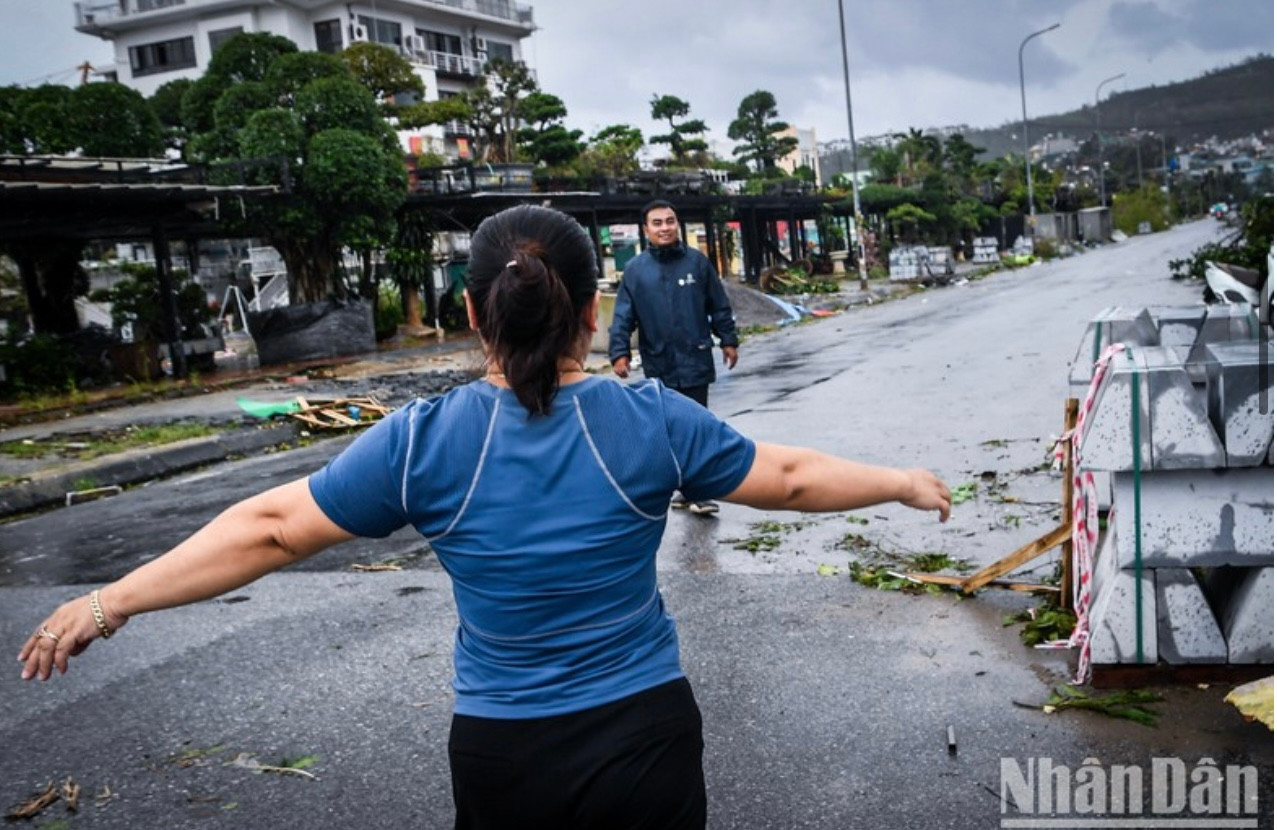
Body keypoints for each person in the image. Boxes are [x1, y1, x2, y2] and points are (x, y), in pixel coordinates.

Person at [19, 205, 950, 830]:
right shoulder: (650, 422)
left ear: (472, 310)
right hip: (645, 741)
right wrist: (899, 480)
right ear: (594, 311)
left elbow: (267, 530)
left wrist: (110, 602)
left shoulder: (424, 442)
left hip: (505, 753)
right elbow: (787, 477)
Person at [609, 199, 739, 515]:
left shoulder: (698, 263)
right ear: (646, 229)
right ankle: (682, 488)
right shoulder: (636, 271)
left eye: (670, 221)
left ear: (677, 224)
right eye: (657, 222)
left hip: (695, 359)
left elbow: (718, 306)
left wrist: (728, 340)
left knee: (696, 426)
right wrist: (619, 351)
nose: (664, 227)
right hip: (659, 362)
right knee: (665, 429)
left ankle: (698, 490)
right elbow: (623, 315)